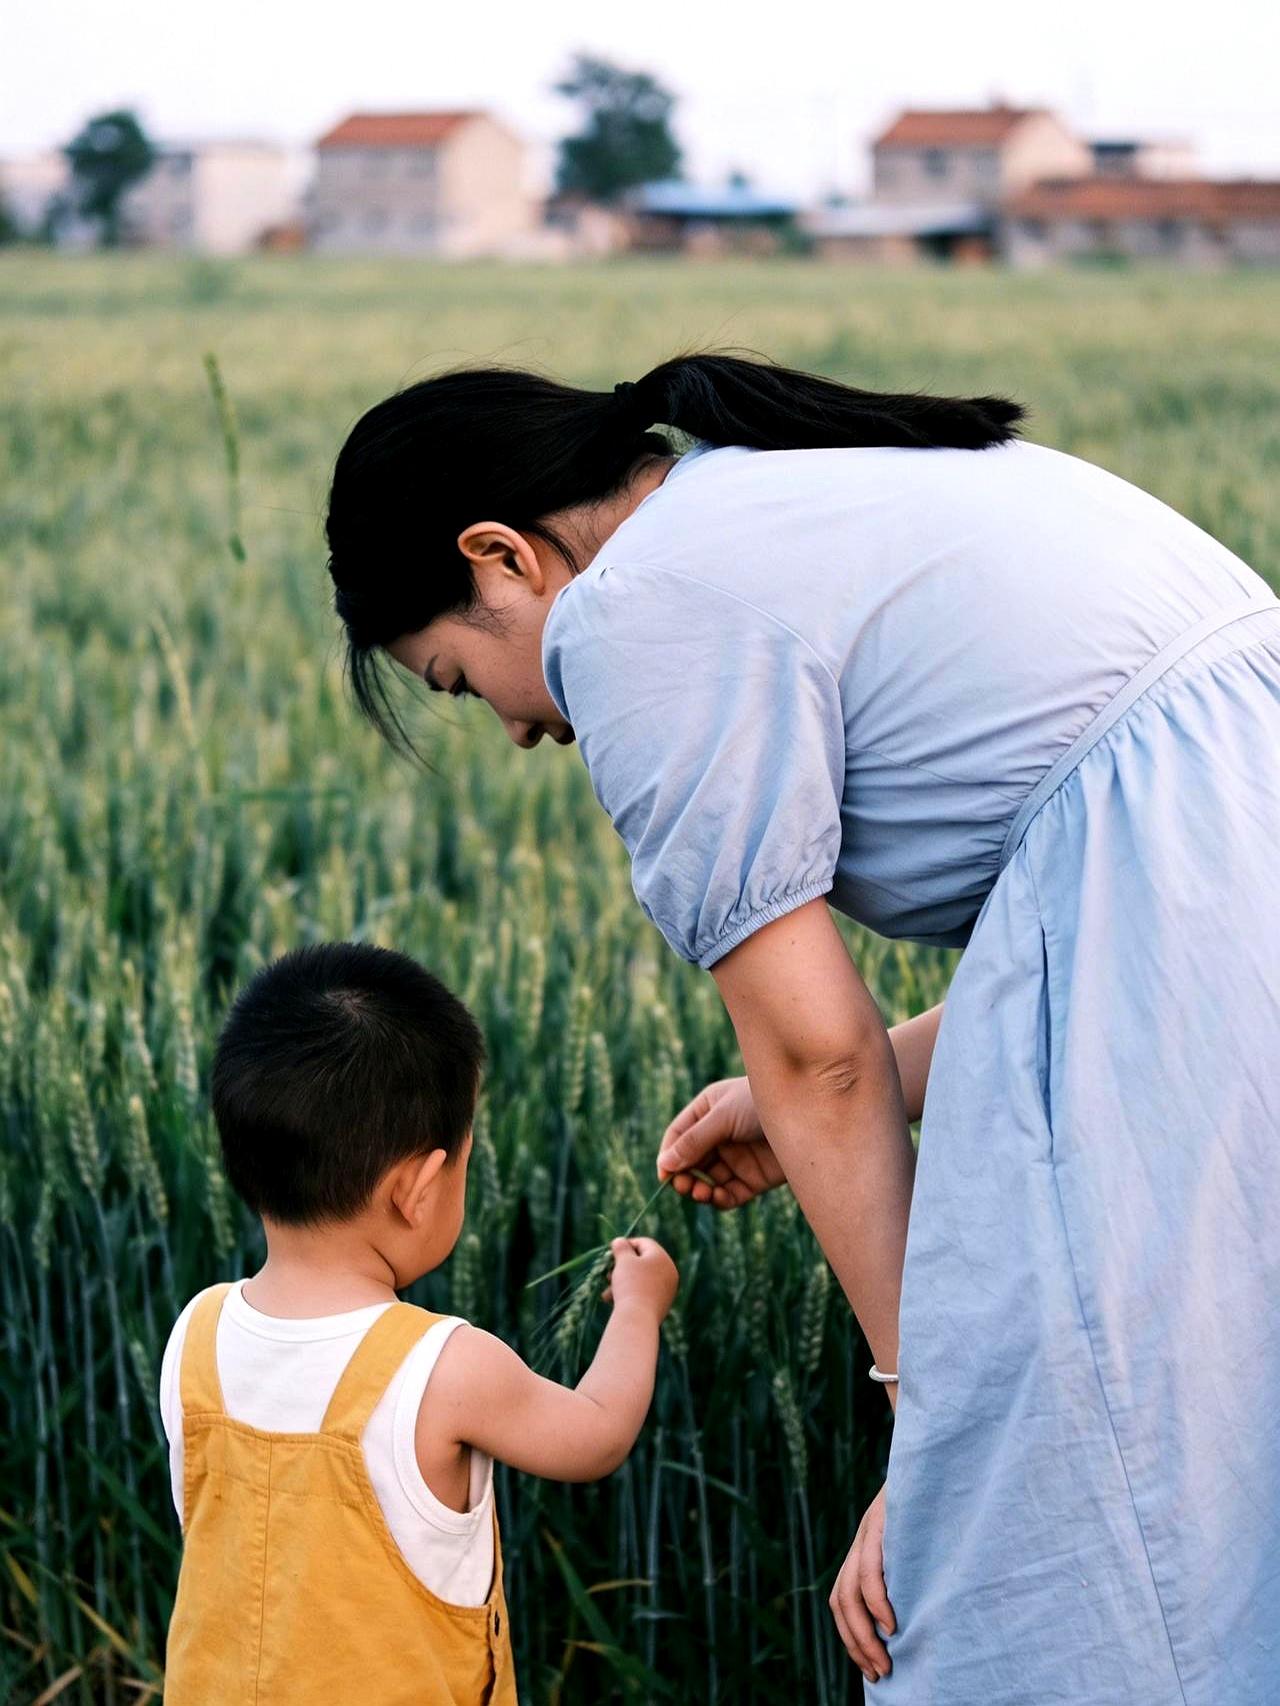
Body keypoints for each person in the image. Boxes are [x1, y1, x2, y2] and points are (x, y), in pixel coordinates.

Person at [323, 351, 1280, 1704]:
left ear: (504, 558)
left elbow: (816, 1051)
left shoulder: (635, 612)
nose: (523, 728)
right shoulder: (772, 492)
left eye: (464, 682)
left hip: (1213, 937)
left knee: (1047, 1543)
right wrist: (845, 1084)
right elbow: (1110, 922)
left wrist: (930, 1418)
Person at [159, 941, 678, 1706]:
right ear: (419, 1188)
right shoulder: (445, 1367)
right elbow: (597, 1433)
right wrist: (639, 1306)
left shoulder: (194, 1334)